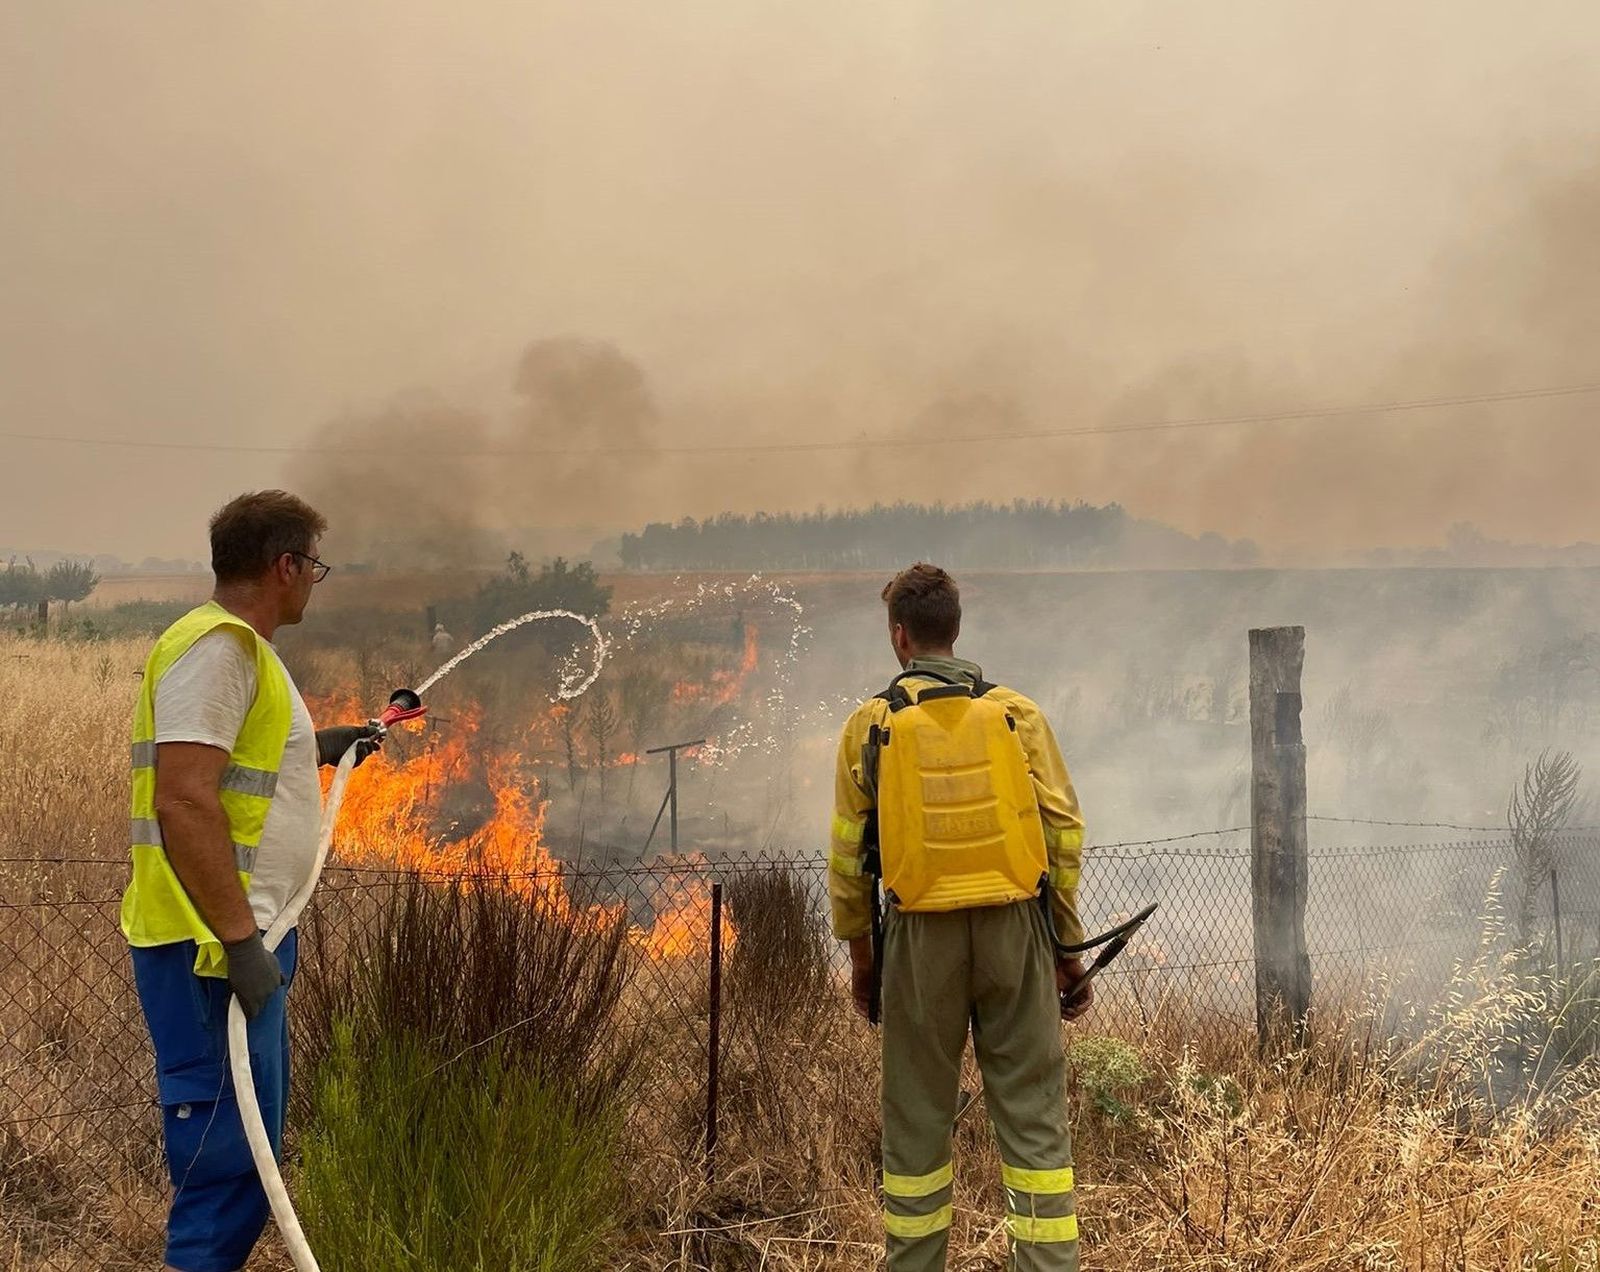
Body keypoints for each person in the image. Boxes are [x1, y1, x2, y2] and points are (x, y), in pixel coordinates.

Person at [120, 491, 379, 1272]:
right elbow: (185, 797)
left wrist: (320, 748)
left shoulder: (247, 653)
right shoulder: (222, 649)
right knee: (227, 1169)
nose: (311, 583)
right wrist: (238, 942)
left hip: (240, 944)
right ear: (285, 566)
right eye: (313, 568)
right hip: (210, 951)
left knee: (244, 1165)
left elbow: (235, 771)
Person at [828, 563, 1090, 1272]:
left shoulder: (870, 727)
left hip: (918, 940)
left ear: (900, 636)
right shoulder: (1018, 714)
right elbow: (1063, 833)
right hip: (1017, 930)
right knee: (1036, 1128)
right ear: (956, 630)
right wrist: (1066, 949)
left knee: (915, 1132)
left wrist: (863, 963)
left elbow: (850, 859)